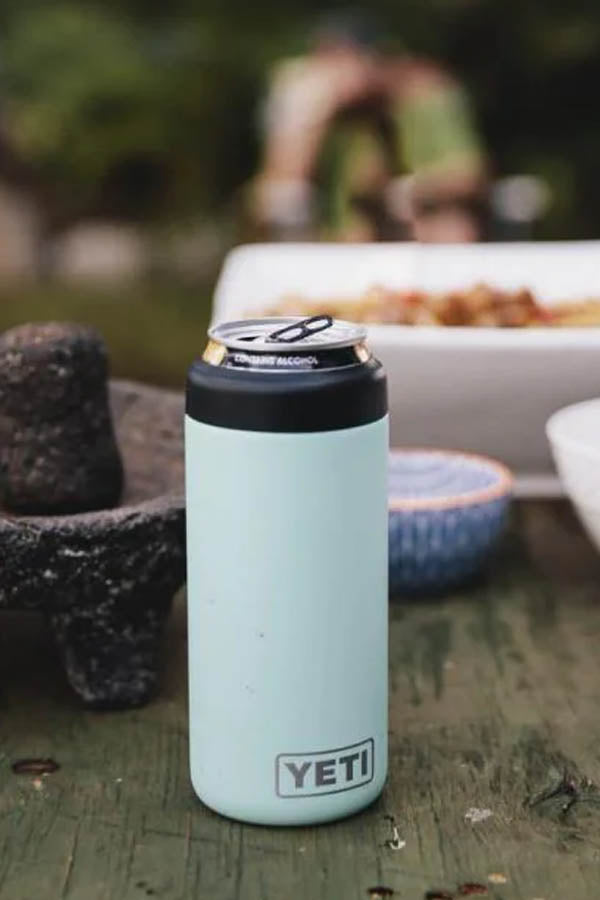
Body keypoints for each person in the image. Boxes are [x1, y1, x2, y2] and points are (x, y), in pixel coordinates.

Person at [249, 14, 488, 243]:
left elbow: (468, 177)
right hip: (344, 243)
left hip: (414, 238)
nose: (329, 75)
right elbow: (275, 200)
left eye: (338, 61)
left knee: (450, 223)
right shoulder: (329, 113)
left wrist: (405, 192)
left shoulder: (422, 95)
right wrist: (297, 121)